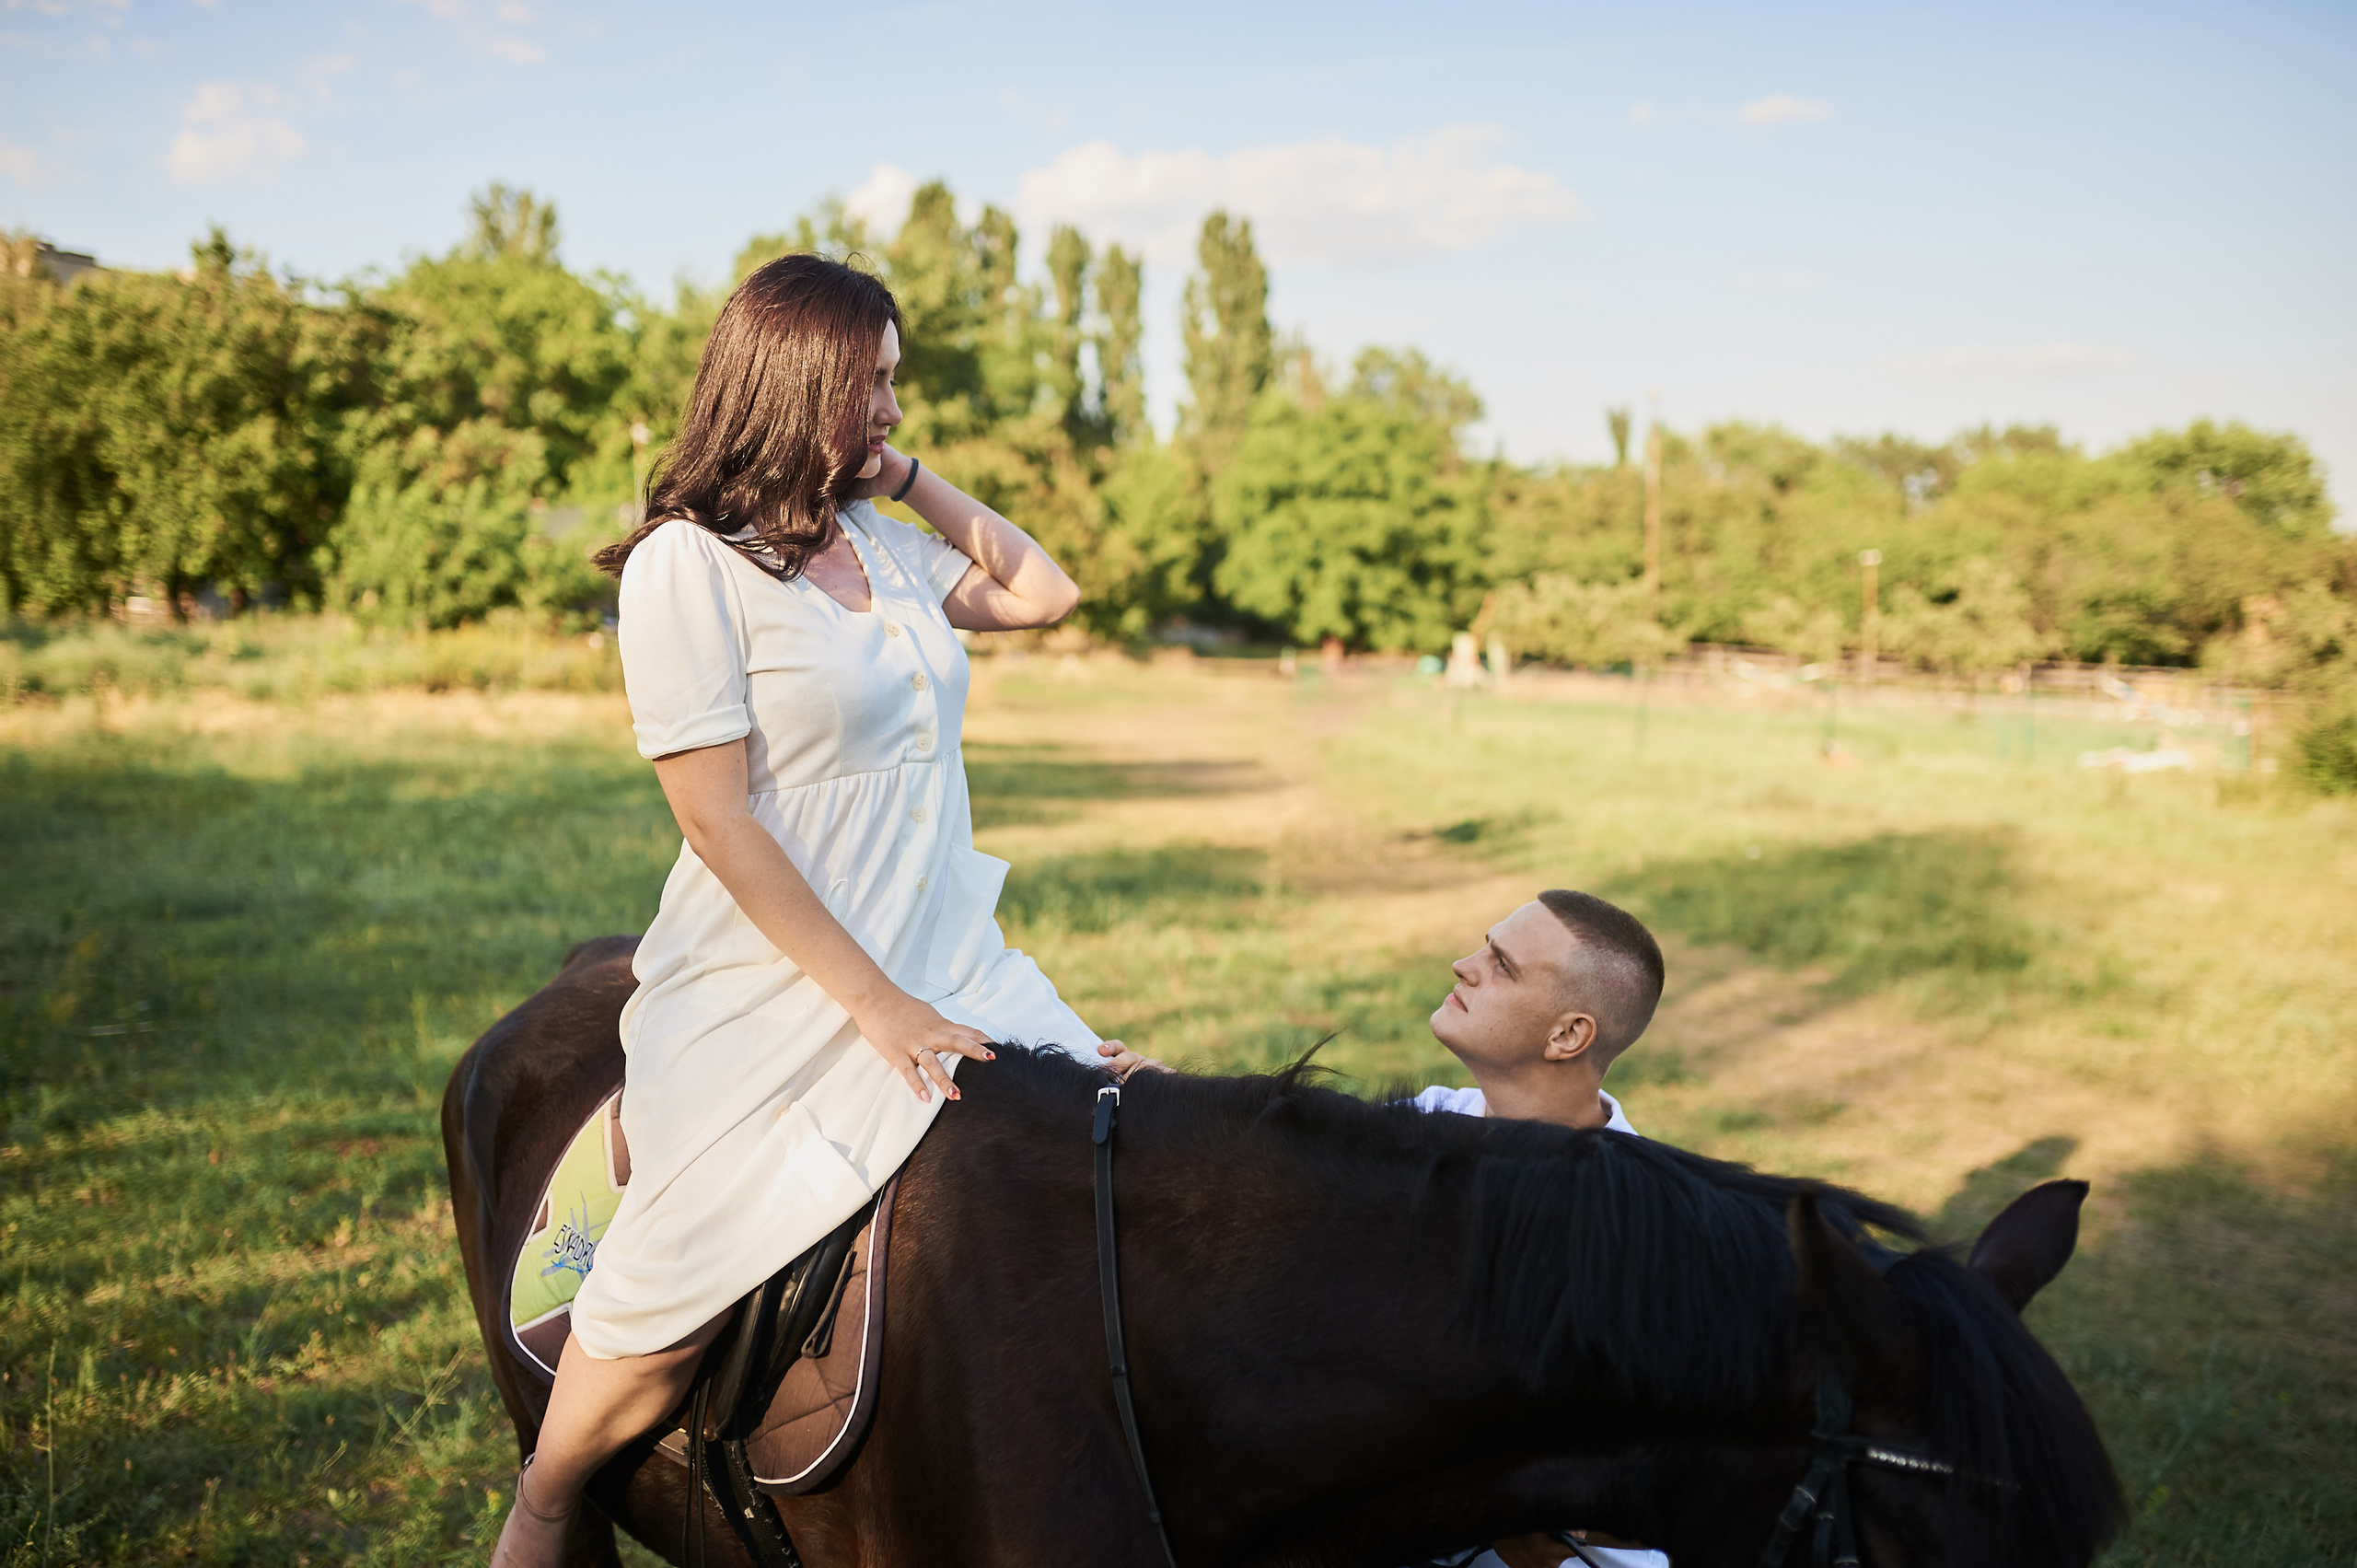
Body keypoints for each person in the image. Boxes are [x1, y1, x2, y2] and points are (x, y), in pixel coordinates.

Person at [493, 255, 1148, 1565]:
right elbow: (715, 815)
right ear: (799, 388)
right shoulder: (688, 567)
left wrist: (900, 478)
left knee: (1137, 1147)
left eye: (897, 386)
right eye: (876, 388)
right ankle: (549, 1495)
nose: (896, 413)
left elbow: (1044, 589)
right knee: (684, 1256)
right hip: (776, 982)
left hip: (950, 951)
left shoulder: (891, 554)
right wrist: (877, 1006)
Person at [1411, 889, 1670, 1568]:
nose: (1464, 965)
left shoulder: (1646, 1229)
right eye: (1483, 946)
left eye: (1501, 963)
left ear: (1566, 1035)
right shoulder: (1431, 1117)